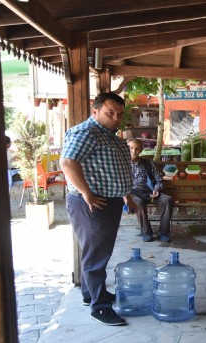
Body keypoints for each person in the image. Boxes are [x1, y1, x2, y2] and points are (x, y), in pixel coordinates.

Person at [60, 92, 136, 326]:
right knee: (96, 256)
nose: (116, 118)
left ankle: (90, 294)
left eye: (119, 114)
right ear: (95, 112)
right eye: (109, 113)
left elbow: (114, 168)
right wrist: (87, 194)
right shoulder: (87, 132)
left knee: (94, 251)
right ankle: (99, 307)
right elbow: (67, 162)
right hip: (94, 202)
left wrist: (126, 195)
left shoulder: (109, 134)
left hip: (108, 201)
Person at [127, 138, 174, 242]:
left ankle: (164, 232)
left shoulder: (148, 163)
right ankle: (146, 232)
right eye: (130, 148)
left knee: (167, 200)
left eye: (137, 149)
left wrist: (156, 189)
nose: (134, 151)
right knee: (138, 202)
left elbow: (158, 180)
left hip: (149, 192)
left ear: (141, 150)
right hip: (132, 193)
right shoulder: (123, 164)